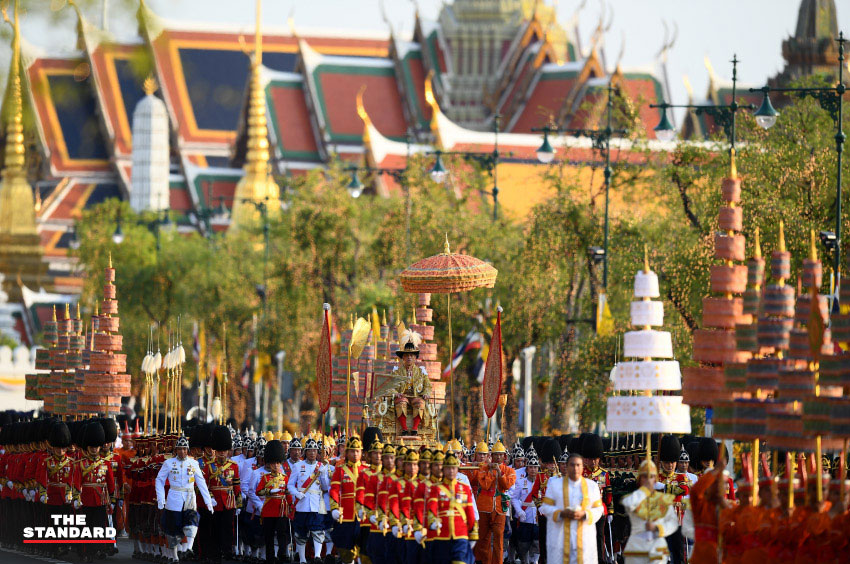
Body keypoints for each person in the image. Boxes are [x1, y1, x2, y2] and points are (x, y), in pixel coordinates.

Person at [155, 434, 215, 564]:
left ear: (187, 450)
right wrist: (161, 499)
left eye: (184, 449)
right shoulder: (169, 463)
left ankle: (187, 549)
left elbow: (201, 482)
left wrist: (208, 501)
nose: (182, 451)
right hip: (174, 497)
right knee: (174, 528)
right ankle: (175, 555)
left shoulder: (193, 463)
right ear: (176, 450)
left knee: (192, 522)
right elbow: (159, 480)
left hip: (189, 497)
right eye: (179, 449)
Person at [538, 453, 604, 564]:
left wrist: (585, 514)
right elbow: (546, 507)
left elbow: (599, 509)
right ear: (566, 466)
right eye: (572, 465)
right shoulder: (554, 485)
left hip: (584, 538)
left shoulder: (592, 486)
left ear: (583, 467)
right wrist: (561, 513)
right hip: (561, 537)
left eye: (578, 465)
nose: (575, 468)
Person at [620, 460, 679, 563]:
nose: (648, 480)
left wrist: (658, 528)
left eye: (651, 477)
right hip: (637, 547)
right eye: (644, 477)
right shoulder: (633, 498)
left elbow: (672, 523)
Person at [74, 421, 116, 562]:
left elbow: (110, 483)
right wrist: (75, 498)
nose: (94, 449)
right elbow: (77, 482)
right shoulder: (81, 463)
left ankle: (94, 551)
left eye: (96, 447)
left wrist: (113, 498)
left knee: (98, 528)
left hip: (100, 500)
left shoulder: (105, 463)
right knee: (85, 527)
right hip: (85, 499)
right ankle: (85, 552)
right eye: (91, 447)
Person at [426, 452, 477, 564]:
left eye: (454, 468)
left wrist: (473, 532)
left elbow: (469, 511)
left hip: (460, 533)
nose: (451, 471)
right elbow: (432, 508)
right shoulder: (436, 488)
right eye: (448, 468)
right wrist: (432, 521)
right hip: (442, 534)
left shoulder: (464, 488)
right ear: (443, 470)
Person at [472, 439, 516, 564]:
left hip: (500, 509)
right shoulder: (483, 468)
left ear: (504, 456)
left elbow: (506, 485)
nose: (498, 457)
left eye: (500, 454)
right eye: (496, 454)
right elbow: (485, 485)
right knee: (483, 539)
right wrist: (491, 471)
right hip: (484, 507)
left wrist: (499, 472)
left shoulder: (510, 471)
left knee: (498, 538)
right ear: (491, 456)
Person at [288, 437, 330, 563]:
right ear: (305, 452)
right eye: (309, 450)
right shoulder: (297, 466)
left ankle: (317, 556)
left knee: (318, 529)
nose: (312, 453)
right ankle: (302, 559)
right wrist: (296, 493)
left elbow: (326, 487)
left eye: (314, 450)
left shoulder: (321, 466)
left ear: (317, 452)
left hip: (316, 504)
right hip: (302, 503)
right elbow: (290, 485)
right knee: (301, 532)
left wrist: (323, 475)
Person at [204, 425, 242, 564]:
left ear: (228, 451)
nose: (221, 453)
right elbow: (205, 485)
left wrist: (239, 504)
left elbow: (237, 485)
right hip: (215, 502)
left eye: (224, 451)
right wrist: (211, 498)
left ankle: (227, 551)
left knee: (227, 528)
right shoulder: (209, 465)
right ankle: (215, 552)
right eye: (219, 451)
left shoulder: (233, 466)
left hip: (229, 502)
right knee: (214, 528)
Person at [390, 330, 432, 435]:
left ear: (415, 358)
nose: (409, 357)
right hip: (402, 395)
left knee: (420, 402)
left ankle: (414, 429)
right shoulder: (396, 371)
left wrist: (426, 393)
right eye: (407, 355)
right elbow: (390, 385)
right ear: (403, 357)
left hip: (416, 396)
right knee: (401, 402)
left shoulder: (421, 371)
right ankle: (404, 428)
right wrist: (395, 393)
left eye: (411, 355)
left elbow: (427, 385)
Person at [329, 435, 363, 564]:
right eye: (352, 451)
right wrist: (334, 508)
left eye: (357, 451)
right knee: (346, 551)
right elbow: (334, 490)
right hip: (346, 515)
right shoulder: (340, 470)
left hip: (363, 515)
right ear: (347, 452)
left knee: (363, 549)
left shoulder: (366, 470)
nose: (355, 454)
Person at [255, 440, 290, 564]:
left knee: (282, 534)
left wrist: (290, 507)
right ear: (269, 464)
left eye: (278, 463)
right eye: (273, 463)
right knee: (268, 535)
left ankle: (282, 554)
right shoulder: (265, 478)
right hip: (269, 509)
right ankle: (270, 557)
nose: (276, 465)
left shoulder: (285, 478)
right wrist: (269, 492)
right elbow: (258, 492)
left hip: (281, 509)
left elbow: (288, 494)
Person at [511, 449, 542, 564]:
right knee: (524, 544)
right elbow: (514, 498)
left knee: (537, 543)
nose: (533, 470)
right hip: (525, 516)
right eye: (531, 467)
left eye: (535, 467)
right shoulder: (521, 482)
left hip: (538, 517)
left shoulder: (543, 482)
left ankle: (535, 561)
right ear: (527, 469)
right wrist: (519, 511)